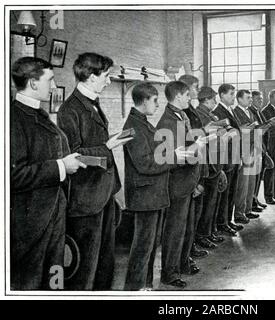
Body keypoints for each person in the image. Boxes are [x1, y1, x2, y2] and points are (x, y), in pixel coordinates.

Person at [11, 57, 86, 289]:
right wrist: (61, 167)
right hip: (29, 225)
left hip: (53, 214)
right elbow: (13, 176)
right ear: (33, 83)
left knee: (54, 280)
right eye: (50, 80)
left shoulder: (40, 115)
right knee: (30, 285)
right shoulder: (13, 119)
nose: (54, 86)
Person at [58, 52, 131, 290]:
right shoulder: (70, 109)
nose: (109, 81)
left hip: (104, 193)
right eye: (106, 76)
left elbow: (92, 147)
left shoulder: (91, 102)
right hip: (86, 198)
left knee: (105, 263)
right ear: (90, 76)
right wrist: (107, 146)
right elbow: (75, 156)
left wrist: (110, 142)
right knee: (85, 269)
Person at [123, 83, 176, 290]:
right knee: (143, 247)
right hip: (145, 195)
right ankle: (134, 290)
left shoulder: (143, 123)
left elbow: (153, 155)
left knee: (150, 245)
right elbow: (144, 163)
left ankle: (145, 287)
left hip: (152, 193)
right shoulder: (132, 126)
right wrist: (173, 157)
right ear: (144, 100)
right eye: (155, 100)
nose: (158, 104)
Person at [156, 81, 206, 288]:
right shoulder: (168, 121)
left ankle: (183, 262)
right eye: (187, 96)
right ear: (178, 96)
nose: (189, 99)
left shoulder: (181, 115)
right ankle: (169, 272)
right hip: (177, 183)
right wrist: (198, 144)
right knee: (175, 230)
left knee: (186, 227)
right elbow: (172, 156)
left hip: (188, 181)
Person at [178, 74, 209, 259]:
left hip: (197, 166)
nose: (197, 91)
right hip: (190, 171)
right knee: (188, 219)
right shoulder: (184, 113)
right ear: (186, 89)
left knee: (195, 216)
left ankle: (191, 247)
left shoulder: (190, 109)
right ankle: (187, 253)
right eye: (195, 87)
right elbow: (188, 145)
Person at [194, 86, 226, 249]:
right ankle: (203, 235)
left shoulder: (209, 114)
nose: (215, 101)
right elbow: (203, 141)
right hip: (210, 163)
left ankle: (210, 231)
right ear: (206, 100)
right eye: (213, 99)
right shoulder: (200, 114)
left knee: (213, 201)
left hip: (216, 162)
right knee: (207, 203)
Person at [212, 84, 244, 236]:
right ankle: (222, 223)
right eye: (231, 94)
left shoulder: (230, 110)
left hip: (235, 157)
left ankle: (228, 220)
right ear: (222, 95)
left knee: (232, 191)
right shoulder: (217, 112)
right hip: (226, 158)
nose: (233, 97)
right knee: (224, 193)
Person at [233, 89, 260, 222]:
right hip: (243, 149)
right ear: (239, 99)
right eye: (248, 98)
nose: (251, 100)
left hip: (253, 147)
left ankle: (248, 209)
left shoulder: (250, 112)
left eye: (250, 97)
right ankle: (239, 213)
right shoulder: (235, 112)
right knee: (242, 184)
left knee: (251, 182)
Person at [249, 91, 271, 211]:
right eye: (258, 99)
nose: (260, 101)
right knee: (254, 176)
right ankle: (252, 202)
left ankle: (255, 199)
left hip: (261, 146)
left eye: (261, 99)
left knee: (259, 176)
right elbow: (256, 130)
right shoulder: (251, 112)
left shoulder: (258, 112)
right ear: (251, 99)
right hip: (255, 147)